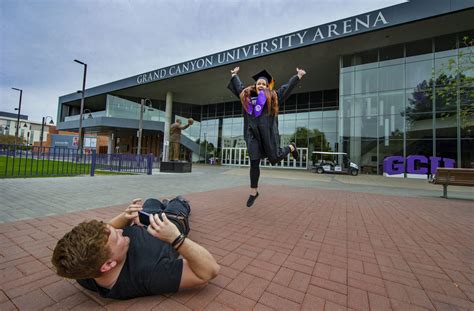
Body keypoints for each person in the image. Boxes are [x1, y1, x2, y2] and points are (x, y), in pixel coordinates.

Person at [51, 196, 220, 300]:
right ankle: (176, 202)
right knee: (178, 204)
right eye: (117, 236)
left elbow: (105, 230)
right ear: (108, 265)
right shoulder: (148, 276)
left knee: (151, 201)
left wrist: (126, 216)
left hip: (144, 218)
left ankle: (159, 203)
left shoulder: (83, 269)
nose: (120, 230)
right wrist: (175, 238)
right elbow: (210, 270)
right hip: (169, 223)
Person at [228, 67, 306, 207]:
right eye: (259, 84)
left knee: (275, 158)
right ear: (256, 86)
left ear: (267, 86)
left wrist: (298, 76)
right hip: (252, 135)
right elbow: (239, 87)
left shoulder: (273, 96)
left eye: (264, 84)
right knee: (254, 161)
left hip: (268, 133)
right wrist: (234, 75)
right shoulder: (247, 97)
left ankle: (291, 147)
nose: (261, 85)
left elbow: (286, 88)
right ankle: (253, 192)